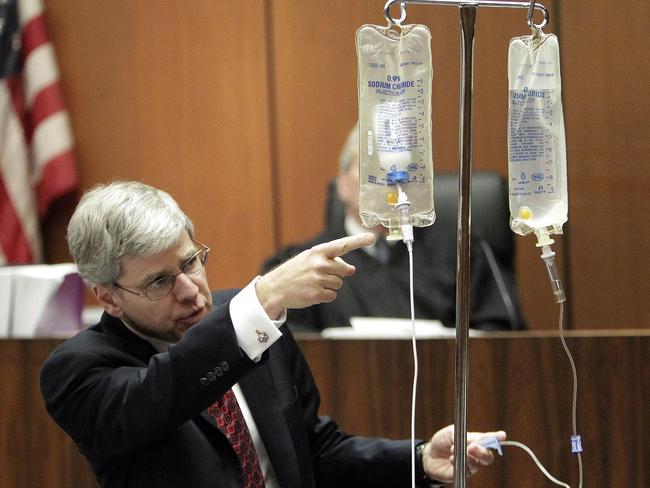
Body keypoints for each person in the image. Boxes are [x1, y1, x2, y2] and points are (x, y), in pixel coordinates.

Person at [40, 181, 505, 488]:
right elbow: (163, 390)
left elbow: (316, 453)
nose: (190, 290)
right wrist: (260, 301)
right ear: (109, 297)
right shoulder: (79, 370)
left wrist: (419, 458)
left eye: (190, 261)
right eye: (159, 282)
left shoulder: (249, 326)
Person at [262, 126, 527, 332]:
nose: (388, 180)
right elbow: (288, 352)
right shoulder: (304, 264)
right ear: (342, 184)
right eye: (372, 167)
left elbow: (501, 337)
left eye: (399, 171)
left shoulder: (461, 252)